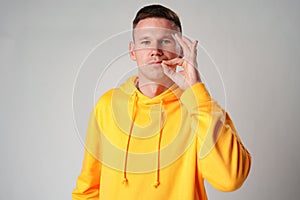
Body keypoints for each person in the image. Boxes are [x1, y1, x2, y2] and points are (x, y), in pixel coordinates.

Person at [72, 4, 251, 200]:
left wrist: (195, 90)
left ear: (180, 51)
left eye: (165, 41)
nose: (155, 51)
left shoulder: (201, 108)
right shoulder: (107, 106)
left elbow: (230, 179)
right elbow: (88, 188)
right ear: (133, 51)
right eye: (146, 42)